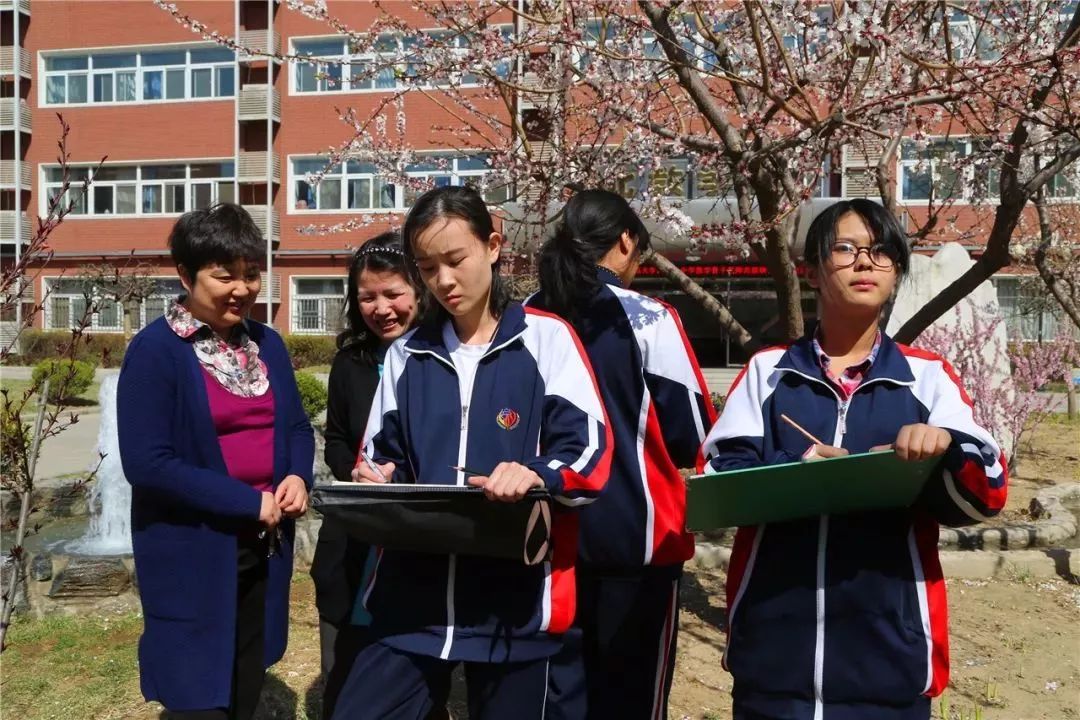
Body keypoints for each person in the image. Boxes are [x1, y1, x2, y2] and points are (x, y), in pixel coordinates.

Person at [702, 199, 1008, 720]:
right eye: (846, 249)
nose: (866, 262)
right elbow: (717, 477)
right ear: (812, 272)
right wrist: (800, 465)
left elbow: (988, 491)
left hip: (890, 661)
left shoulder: (927, 377)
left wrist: (943, 449)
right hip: (774, 665)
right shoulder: (767, 372)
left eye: (882, 251)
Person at [332, 185, 612, 720]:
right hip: (411, 600)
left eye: (455, 260)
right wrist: (375, 476)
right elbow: (380, 454)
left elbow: (591, 451)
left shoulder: (547, 340)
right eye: (427, 267)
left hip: (516, 604)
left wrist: (533, 472)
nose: (443, 281)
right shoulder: (406, 355)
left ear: (493, 246)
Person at [117, 203, 315, 720]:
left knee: (247, 670)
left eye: (251, 275)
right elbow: (147, 462)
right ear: (185, 275)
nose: (242, 289)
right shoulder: (156, 351)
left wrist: (296, 474)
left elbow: (294, 426)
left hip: (263, 541)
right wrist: (245, 501)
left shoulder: (266, 344)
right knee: (196, 690)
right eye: (223, 276)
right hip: (193, 543)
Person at [528, 189, 716, 719]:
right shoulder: (648, 317)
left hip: (545, 534)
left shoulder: (524, 317)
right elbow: (694, 432)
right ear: (626, 241)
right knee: (630, 698)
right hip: (637, 536)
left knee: (559, 698)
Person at [312, 232, 422, 718]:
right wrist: (352, 468)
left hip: (418, 540)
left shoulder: (444, 359)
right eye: (367, 297)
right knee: (343, 672)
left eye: (393, 293)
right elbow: (335, 437)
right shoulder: (351, 363)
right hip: (354, 536)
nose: (381, 308)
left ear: (420, 290)